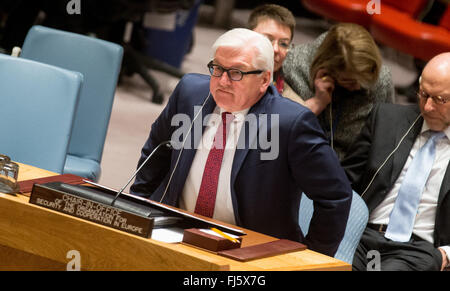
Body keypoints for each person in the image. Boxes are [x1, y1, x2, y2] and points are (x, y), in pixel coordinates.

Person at [130, 28, 352, 257]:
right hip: (176, 233)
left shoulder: (290, 124)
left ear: (264, 79)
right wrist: (136, 210)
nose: (222, 81)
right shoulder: (189, 94)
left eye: (236, 72)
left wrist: (309, 260)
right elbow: (155, 154)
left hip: (248, 250)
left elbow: (335, 196)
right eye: (217, 69)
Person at [342, 52, 450, 271]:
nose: (428, 107)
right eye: (423, 94)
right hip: (363, 234)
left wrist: (446, 254)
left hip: (419, 248)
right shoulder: (387, 119)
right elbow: (345, 181)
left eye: (440, 99)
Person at [283, 23, 395, 161]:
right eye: (350, 81)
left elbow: (386, 138)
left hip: (351, 168)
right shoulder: (293, 68)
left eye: (365, 81)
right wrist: (318, 102)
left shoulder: (380, 80)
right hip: (296, 158)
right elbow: (281, 132)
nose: (359, 87)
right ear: (326, 70)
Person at [247, 4, 300, 99]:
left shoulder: (291, 102)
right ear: (247, 37)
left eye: (283, 44)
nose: (275, 49)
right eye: (267, 39)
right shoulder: (221, 76)